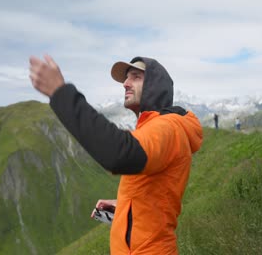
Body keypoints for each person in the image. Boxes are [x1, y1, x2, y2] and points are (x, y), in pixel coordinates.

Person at [29, 55, 203, 254]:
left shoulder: (166, 128)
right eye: (126, 79)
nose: (126, 84)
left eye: (135, 77)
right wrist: (126, 206)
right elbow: (158, 193)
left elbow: (119, 154)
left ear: (155, 86)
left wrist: (61, 94)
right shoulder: (152, 128)